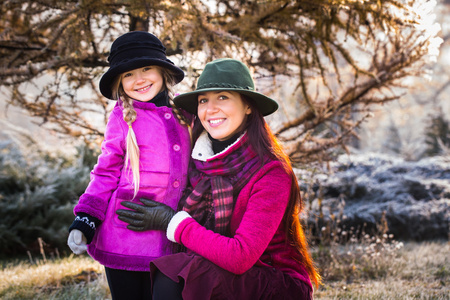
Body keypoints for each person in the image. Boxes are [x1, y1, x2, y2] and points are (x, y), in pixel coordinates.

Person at [117, 58, 321, 299]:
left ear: (247, 106)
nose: (210, 109)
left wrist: (172, 222)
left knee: (178, 273)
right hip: (224, 273)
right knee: (175, 269)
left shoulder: (271, 172)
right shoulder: (199, 163)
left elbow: (240, 257)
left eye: (223, 97)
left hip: (275, 283)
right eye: (203, 100)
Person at [67, 31, 191, 300]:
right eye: (129, 74)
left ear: (162, 70)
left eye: (146, 68)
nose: (140, 79)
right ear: (120, 82)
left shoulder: (186, 112)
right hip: (124, 237)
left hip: (173, 235)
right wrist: (85, 217)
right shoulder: (123, 118)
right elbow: (105, 171)